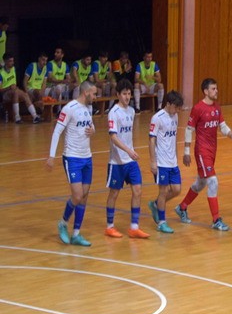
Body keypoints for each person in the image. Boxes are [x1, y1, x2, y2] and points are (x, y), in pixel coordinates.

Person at [176, 77, 232, 231]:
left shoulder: (217, 107)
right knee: (213, 181)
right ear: (205, 91)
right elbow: (189, 130)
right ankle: (216, 219)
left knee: (201, 183)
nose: (216, 91)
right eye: (213, 89)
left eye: (216, 88)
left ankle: (182, 207)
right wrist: (186, 152)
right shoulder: (198, 108)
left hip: (213, 151)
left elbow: (222, 127)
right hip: (202, 151)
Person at [45, 79, 98, 247]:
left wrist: (93, 130)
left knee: (84, 196)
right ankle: (63, 222)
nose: (95, 97)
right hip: (72, 157)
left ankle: (76, 234)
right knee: (77, 195)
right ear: (86, 93)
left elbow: (91, 126)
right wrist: (51, 156)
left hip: (87, 157)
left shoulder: (88, 108)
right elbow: (57, 131)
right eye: (94, 94)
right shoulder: (69, 108)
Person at [104, 79, 149, 239]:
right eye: (124, 94)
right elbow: (113, 137)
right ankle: (109, 227)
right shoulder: (113, 112)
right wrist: (128, 150)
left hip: (130, 161)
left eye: (129, 93)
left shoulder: (131, 111)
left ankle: (134, 227)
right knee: (114, 193)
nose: (127, 96)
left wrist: (131, 151)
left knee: (138, 190)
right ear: (118, 94)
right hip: (117, 162)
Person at [147, 90, 184, 234]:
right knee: (163, 191)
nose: (177, 110)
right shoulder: (157, 118)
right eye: (176, 107)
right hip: (161, 162)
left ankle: (156, 204)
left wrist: (176, 157)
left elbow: (174, 138)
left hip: (172, 162)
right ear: (168, 104)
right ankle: (162, 223)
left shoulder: (175, 116)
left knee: (176, 190)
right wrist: (153, 161)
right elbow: (151, 140)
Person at [1, 53, 40, 124]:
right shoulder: (1, 73)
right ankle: (17, 117)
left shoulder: (13, 69)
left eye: (13, 61)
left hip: (14, 90)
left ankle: (35, 116)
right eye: (10, 61)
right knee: (15, 92)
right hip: (5, 94)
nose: (12, 63)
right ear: (5, 61)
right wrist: (9, 87)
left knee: (25, 94)